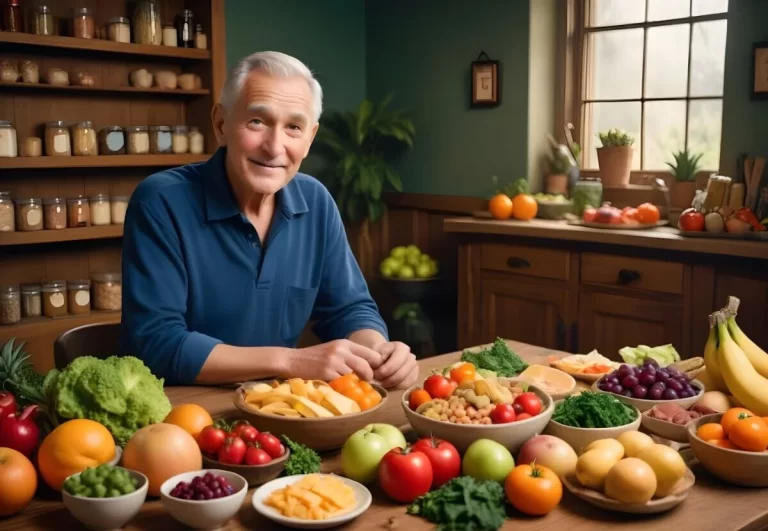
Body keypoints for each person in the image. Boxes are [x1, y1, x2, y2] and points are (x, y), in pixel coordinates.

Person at [119, 51, 419, 390]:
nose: (275, 146)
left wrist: (378, 351)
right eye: (257, 122)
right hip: (174, 416)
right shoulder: (160, 201)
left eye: (294, 127)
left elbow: (348, 309)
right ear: (221, 125)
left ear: (310, 139)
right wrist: (292, 362)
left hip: (273, 409)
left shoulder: (317, 201)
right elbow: (159, 343)